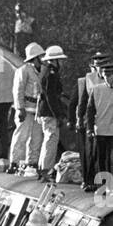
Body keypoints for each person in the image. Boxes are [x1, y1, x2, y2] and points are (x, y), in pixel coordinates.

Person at [85, 60, 113, 184]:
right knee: (101, 159)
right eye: (105, 76)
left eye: (109, 75)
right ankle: (103, 184)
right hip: (100, 129)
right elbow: (90, 111)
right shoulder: (96, 90)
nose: (107, 79)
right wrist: (89, 128)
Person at [71, 52, 106, 188]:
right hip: (91, 119)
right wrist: (80, 118)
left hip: (107, 120)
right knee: (90, 152)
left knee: (104, 153)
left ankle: (103, 181)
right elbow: (82, 101)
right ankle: (89, 180)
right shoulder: (87, 79)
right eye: (97, 64)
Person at [9, 42, 45, 172]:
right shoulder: (23, 71)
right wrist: (20, 108)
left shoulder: (44, 71)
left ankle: (32, 162)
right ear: (35, 58)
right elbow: (17, 90)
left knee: (36, 137)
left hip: (38, 109)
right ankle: (14, 162)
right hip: (26, 108)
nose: (43, 59)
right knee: (21, 136)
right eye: (41, 56)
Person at [35, 45, 67, 178]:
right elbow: (51, 96)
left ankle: (43, 167)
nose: (62, 63)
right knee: (51, 140)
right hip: (49, 112)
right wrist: (58, 114)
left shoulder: (47, 71)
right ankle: (46, 169)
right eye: (60, 60)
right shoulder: (51, 74)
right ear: (55, 60)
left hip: (45, 111)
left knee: (48, 140)